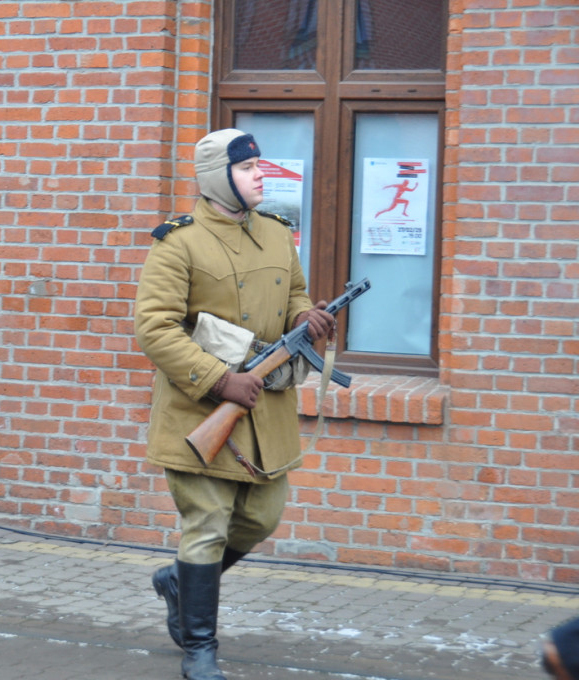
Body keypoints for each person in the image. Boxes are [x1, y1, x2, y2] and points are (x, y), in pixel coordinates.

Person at [134, 128, 335, 680]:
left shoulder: (275, 234)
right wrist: (220, 381)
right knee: (208, 523)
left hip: (265, 412)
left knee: (263, 516)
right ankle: (200, 648)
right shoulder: (178, 242)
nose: (260, 175)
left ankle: (180, 583)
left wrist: (304, 319)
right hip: (201, 410)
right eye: (248, 169)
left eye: (260, 167)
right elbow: (154, 329)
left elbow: (292, 292)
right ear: (217, 177)